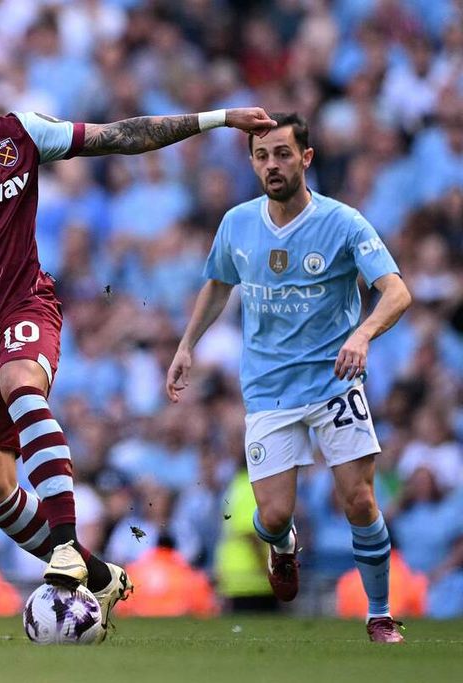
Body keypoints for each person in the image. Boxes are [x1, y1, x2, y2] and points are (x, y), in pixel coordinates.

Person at [0, 30, 276, 633]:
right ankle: (100, 576)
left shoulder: (21, 135)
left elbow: (124, 136)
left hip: (25, 304)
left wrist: (218, 118)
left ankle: (63, 547)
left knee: (22, 385)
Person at [165, 112, 413, 643]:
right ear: (252, 163)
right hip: (269, 390)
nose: (272, 165)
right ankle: (282, 547)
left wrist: (363, 334)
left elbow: (396, 292)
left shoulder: (344, 223)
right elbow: (217, 284)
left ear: (306, 158)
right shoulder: (237, 223)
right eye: (261, 156)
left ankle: (379, 614)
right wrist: (187, 345)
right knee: (273, 516)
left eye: (282, 153)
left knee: (360, 501)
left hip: (333, 383)